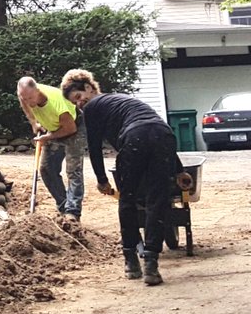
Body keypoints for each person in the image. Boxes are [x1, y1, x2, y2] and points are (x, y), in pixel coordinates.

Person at [60, 68, 177, 286]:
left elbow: (93, 147)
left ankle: (131, 260)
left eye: (78, 97)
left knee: (128, 199)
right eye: (75, 103)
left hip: (136, 136)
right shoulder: (119, 101)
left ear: (88, 87)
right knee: (157, 201)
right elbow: (152, 126)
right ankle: (151, 264)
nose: (80, 104)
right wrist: (178, 171)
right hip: (164, 135)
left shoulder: (94, 106)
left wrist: (102, 179)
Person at [17, 75, 87, 223]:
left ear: (37, 90)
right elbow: (23, 102)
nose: (28, 102)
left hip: (74, 127)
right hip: (53, 128)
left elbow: (70, 129)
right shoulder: (25, 95)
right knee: (47, 169)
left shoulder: (57, 103)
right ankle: (63, 207)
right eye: (25, 98)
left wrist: (47, 137)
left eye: (30, 98)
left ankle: (73, 212)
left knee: (73, 170)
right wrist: (33, 123)